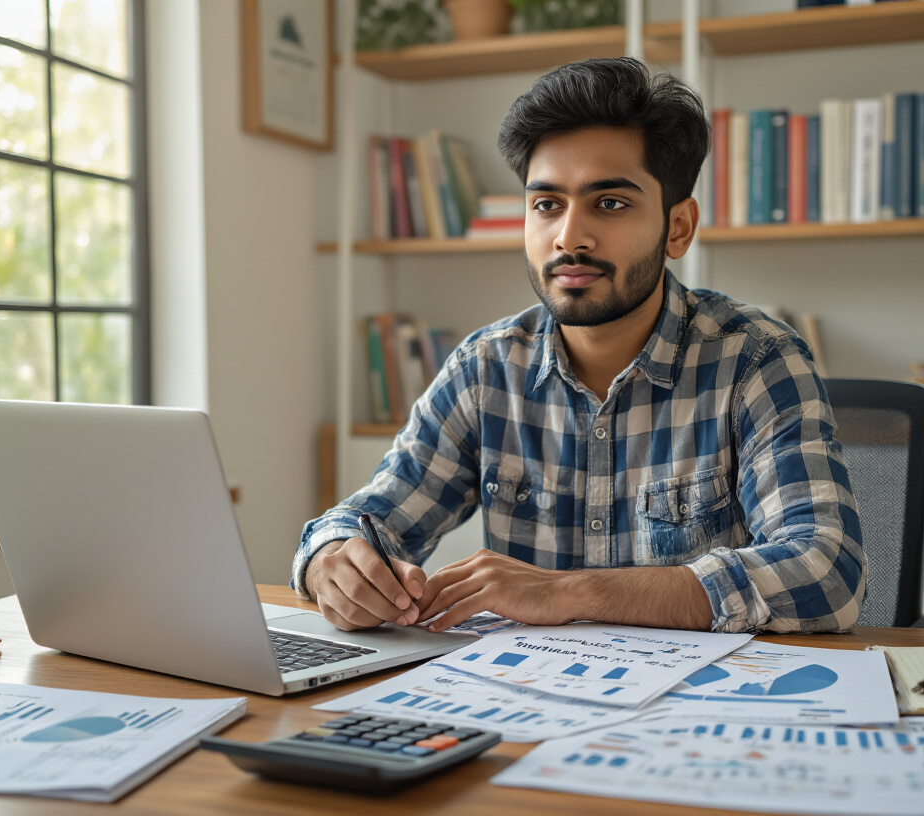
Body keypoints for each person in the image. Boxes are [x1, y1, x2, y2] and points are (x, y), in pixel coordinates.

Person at [292, 58, 864, 635]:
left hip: (697, 710)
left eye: (610, 203)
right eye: (546, 205)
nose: (568, 237)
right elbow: (373, 517)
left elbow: (826, 574)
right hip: (523, 704)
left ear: (678, 228)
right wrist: (332, 562)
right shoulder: (486, 369)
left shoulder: (756, 361)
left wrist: (573, 592)